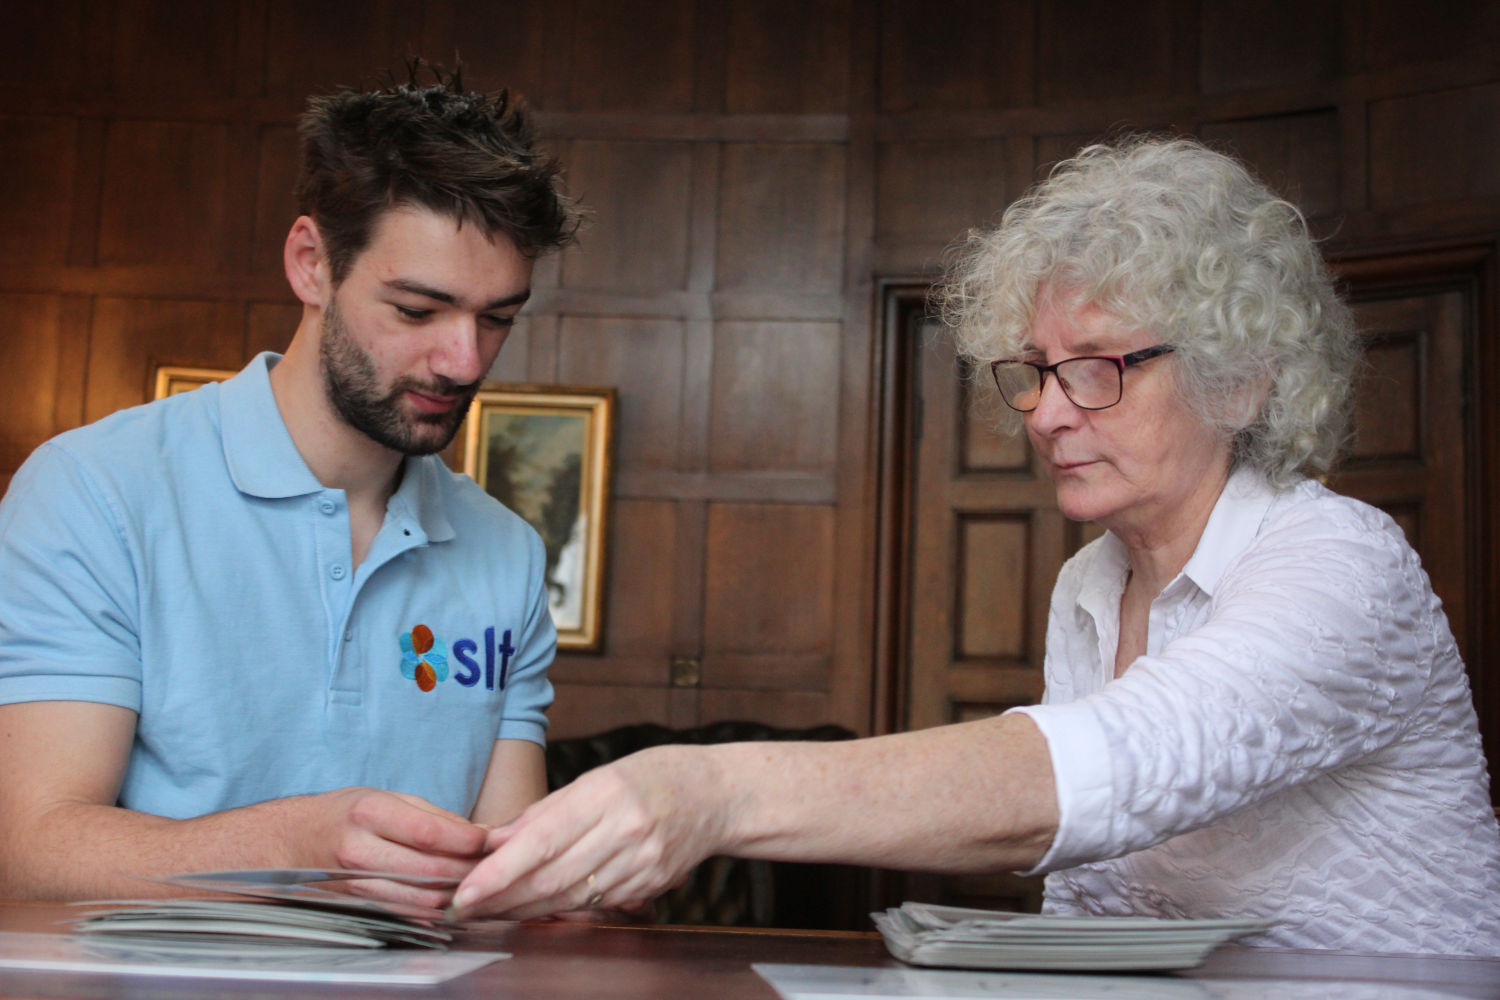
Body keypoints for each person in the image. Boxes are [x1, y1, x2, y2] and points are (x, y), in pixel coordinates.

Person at [447, 137, 1500, 955]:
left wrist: (709, 790)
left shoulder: (1342, 562)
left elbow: (1113, 773)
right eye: (1035, 369)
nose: (1045, 412)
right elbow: (1090, 889)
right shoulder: (1090, 583)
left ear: (1243, 377)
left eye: (1098, 366)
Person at [0, 65, 579, 908]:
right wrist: (297, 843)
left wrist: (581, 883)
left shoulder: (510, 555)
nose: (465, 361)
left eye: (498, 318)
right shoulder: (93, 492)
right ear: (312, 264)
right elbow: (26, 847)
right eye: (418, 310)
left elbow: (507, 891)